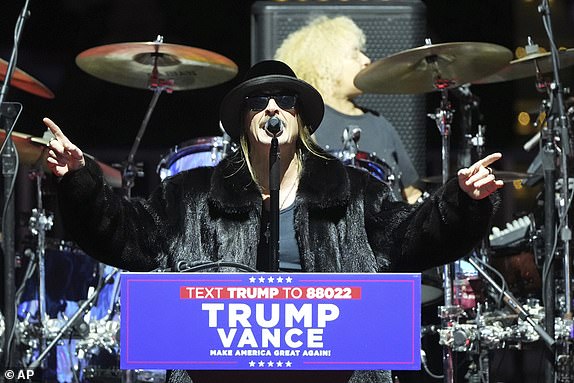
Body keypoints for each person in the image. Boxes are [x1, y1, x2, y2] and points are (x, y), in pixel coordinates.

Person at [43, 60, 503, 383]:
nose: (272, 108)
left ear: (300, 118)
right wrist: (80, 181)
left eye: (285, 99)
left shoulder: (354, 192)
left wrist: (461, 201)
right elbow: (125, 234)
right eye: (258, 100)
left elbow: (415, 236)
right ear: (243, 119)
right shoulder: (192, 194)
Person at [274, 15, 423, 204]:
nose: (367, 60)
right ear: (324, 64)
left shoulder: (379, 122)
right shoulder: (303, 120)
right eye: (355, 54)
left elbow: (412, 195)